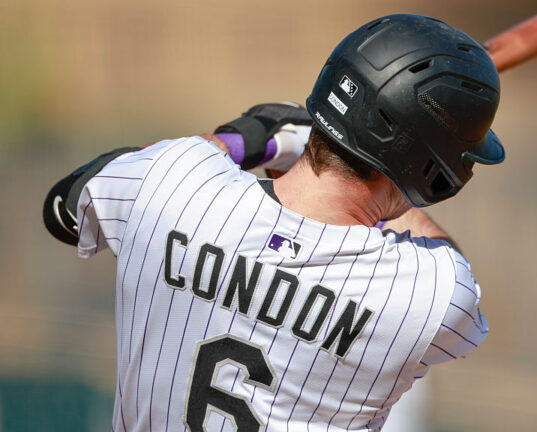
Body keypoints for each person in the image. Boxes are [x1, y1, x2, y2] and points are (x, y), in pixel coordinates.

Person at [43, 13, 503, 432]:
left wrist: (249, 139)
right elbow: (448, 266)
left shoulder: (170, 183)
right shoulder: (427, 293)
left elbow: (64, 208)